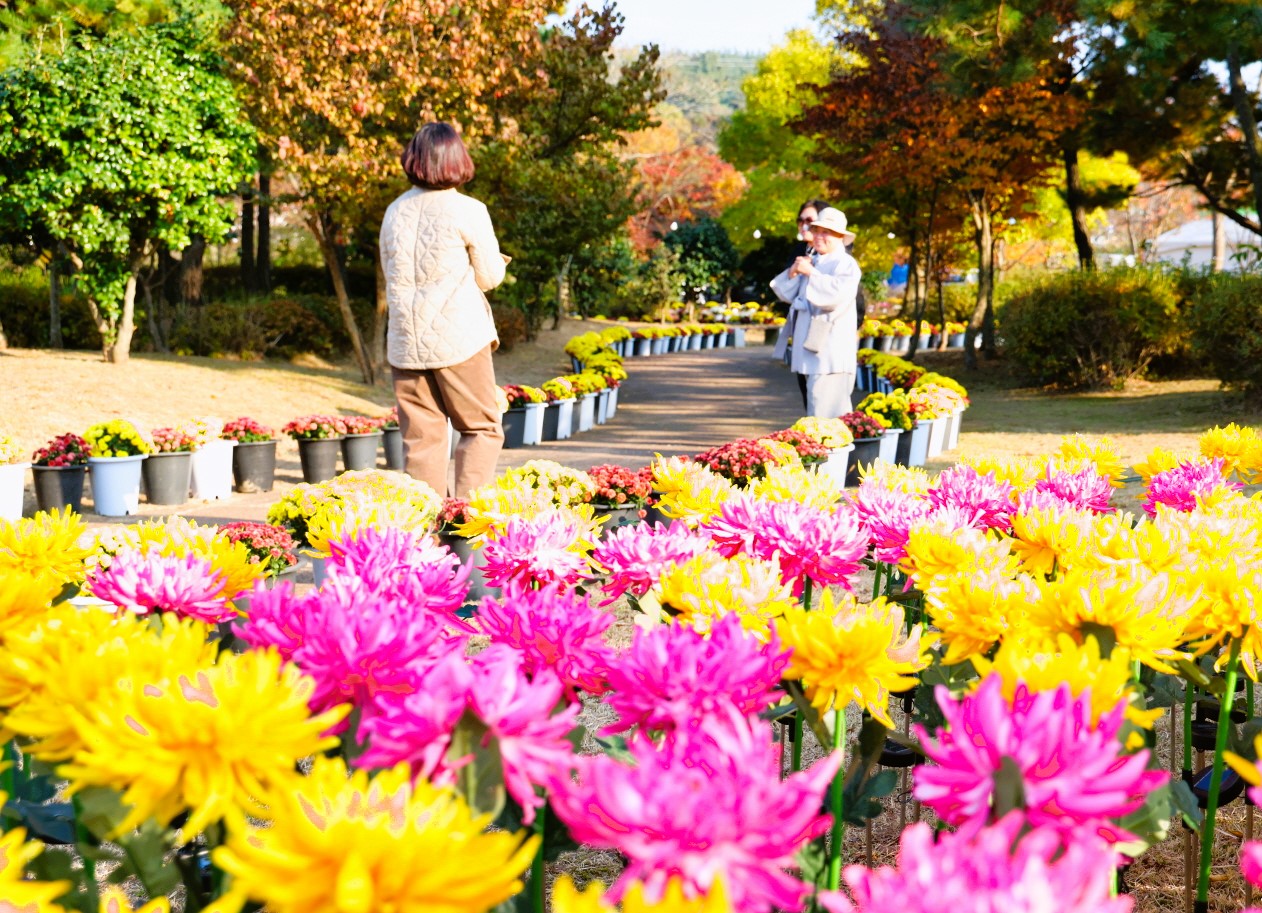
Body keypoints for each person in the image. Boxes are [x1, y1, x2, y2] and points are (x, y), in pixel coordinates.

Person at [380, 122, 507, 497]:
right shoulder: (469, 209)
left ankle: (426, 534)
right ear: (457, 159)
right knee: (482, 428)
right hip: (458, 339)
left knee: (422, 439)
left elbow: (391, 271)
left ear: (414, 159)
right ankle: (466, 523)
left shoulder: (394, 211)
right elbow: (489, 277)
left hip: (406, 340)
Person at [769, 207, 862, 417]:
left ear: (840, 237)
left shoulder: (846, 264)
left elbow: (835, 295)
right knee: (814, 408)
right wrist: (795, 272)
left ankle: (830, 450)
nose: (819, 236)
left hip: (830, 354)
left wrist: (811, 273)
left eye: (826, 232)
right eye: (817, 230)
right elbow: (786, 292)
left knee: (827, 413)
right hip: (809, 351)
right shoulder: (815, 259)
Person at [774, 199, 830, 409]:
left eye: (810, 221)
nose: (804, 226)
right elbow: (785, 290)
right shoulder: (801, 252)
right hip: (801, 335)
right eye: (801, 220)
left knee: (821, 402)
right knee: (808, 397)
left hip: (824, 339)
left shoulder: (836, 258)